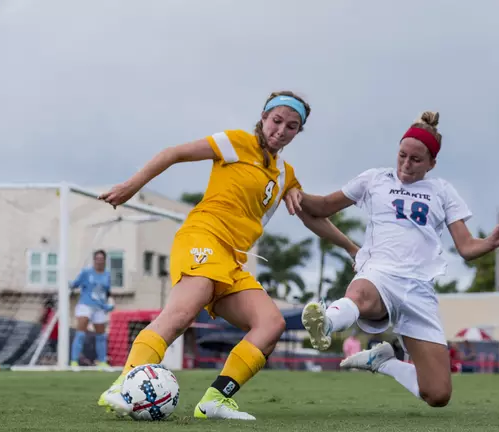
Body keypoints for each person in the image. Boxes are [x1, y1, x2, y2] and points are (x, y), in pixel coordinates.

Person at [96, 91, 359, 421]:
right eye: (276, 120)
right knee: (185, 308)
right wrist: (130, 186)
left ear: (297, 132)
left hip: (233, 260)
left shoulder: (285, 175)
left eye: (291, 126)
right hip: (203, 235)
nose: (281, 130)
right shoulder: (236, 142)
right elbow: (174, 153)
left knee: (271, 324)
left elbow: (313, 214)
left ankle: (215, 401)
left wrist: (351, 247)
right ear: (263, 118)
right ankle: (123, 384)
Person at [285, 111, 499, 407]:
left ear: (432, 163)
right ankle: (327, 322)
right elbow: (323, 206)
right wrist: (288, 188)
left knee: (438, 394)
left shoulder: (442, 191)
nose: (406, 164)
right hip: (379, 271)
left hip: (419, 290)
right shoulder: (374, 179)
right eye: (402, 155)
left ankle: (383, 362)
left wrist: (492, 241)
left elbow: (467, 247)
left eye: (416, 160)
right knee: (362, 295)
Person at [69, 250, 113, 368]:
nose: (99, 261)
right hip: (86, 305)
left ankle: (102, 362)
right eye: (97, 258)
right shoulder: (86, 272)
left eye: (101, 259)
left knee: (101, 335)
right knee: (81, 333)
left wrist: (108, 304)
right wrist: (68, 284)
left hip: (99, 307)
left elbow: (107, 292)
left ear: (104, 260)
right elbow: (75, 284)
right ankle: (74, 361)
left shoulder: (107, 275)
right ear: (94, 260)